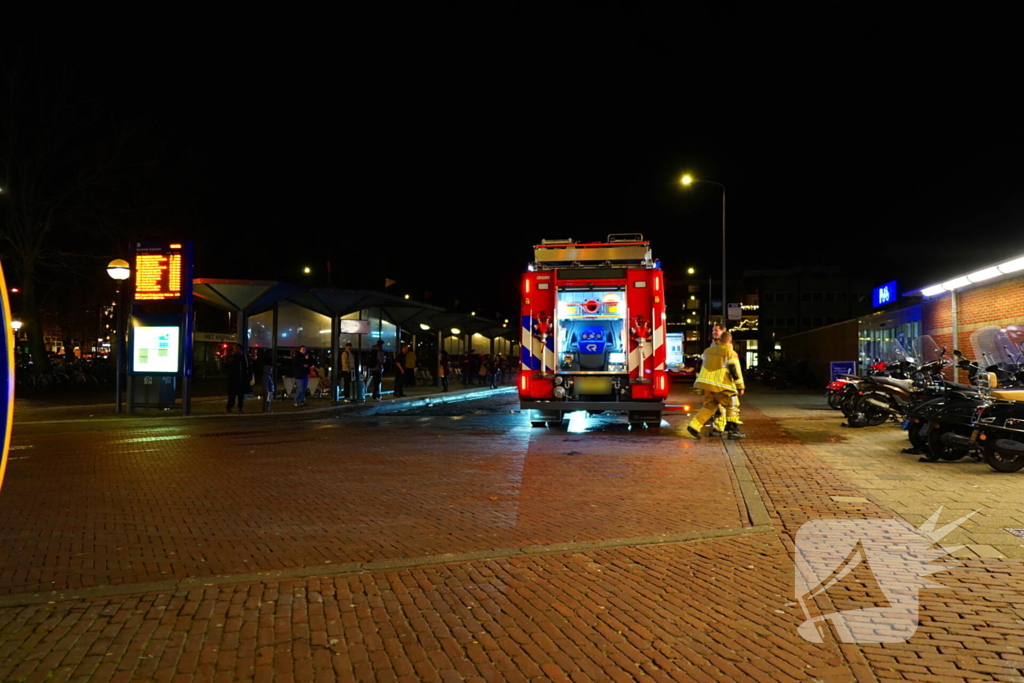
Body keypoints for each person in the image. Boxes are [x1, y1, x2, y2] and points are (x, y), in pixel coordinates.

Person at [687, 330, 746, 440]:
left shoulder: (707, 351)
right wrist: (740, 386)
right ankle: (733, 431)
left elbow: (699, 365)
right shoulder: (730, 353)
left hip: (707, 385)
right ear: (731, 341)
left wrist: (699, 378)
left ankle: (694, 426)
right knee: (732, 405)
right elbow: (735, 370)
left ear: (720, 340)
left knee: (709, 406)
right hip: (723, 385)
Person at [225, 345, 253, 414]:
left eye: (237, 349)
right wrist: (229, 362)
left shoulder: (245, 357)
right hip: (233, 380)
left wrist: (249, 376)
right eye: (234, 348)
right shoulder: (231, 357)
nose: (236, 350)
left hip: (242, 379)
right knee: (232, 395)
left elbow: (249, 368)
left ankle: (240, 408)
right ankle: (229, 407)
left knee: (241, 395)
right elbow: (227, 368)